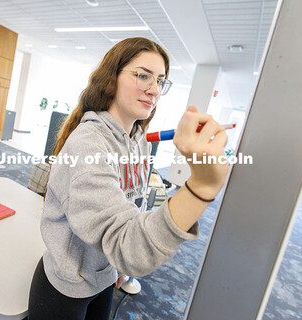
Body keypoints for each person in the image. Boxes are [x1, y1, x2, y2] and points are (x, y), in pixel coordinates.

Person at [28, 37, 229, 320]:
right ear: (112, 78)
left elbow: (134, 208)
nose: (155, 89)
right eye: (143, 76)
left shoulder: (139, 140)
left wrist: (117, 269)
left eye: (160, 80)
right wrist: (202, 186)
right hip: (68, 284)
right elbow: (129, 247)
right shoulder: (88, 144)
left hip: (106, 275)